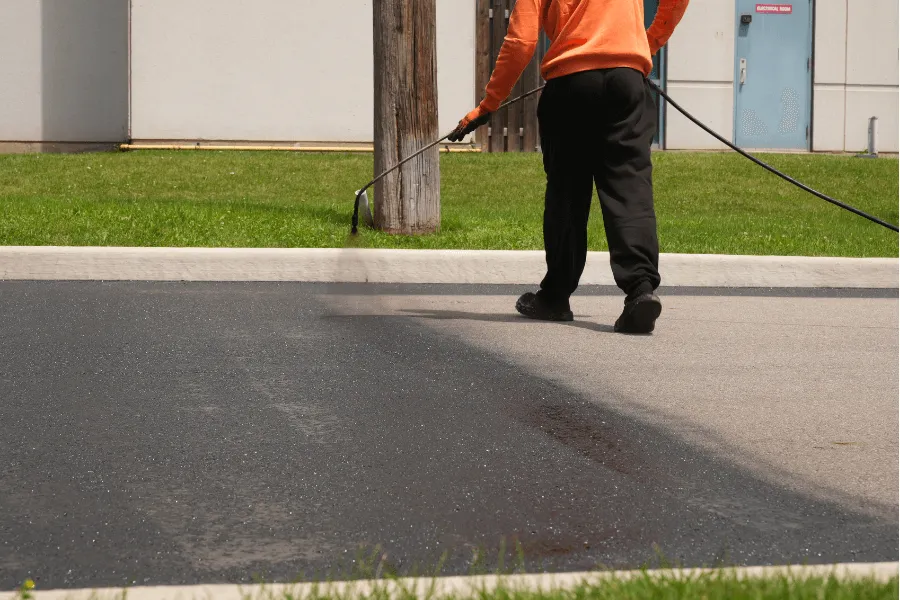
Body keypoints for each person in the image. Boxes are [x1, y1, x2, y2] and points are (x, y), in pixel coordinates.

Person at [449, 0, 689, 334]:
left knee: (567, 195)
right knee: (630, 189)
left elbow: (521, 42)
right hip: (627, 81)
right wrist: (645, 44)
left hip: (569, 86)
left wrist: (489, 104)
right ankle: (640, 290)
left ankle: (555, 297)